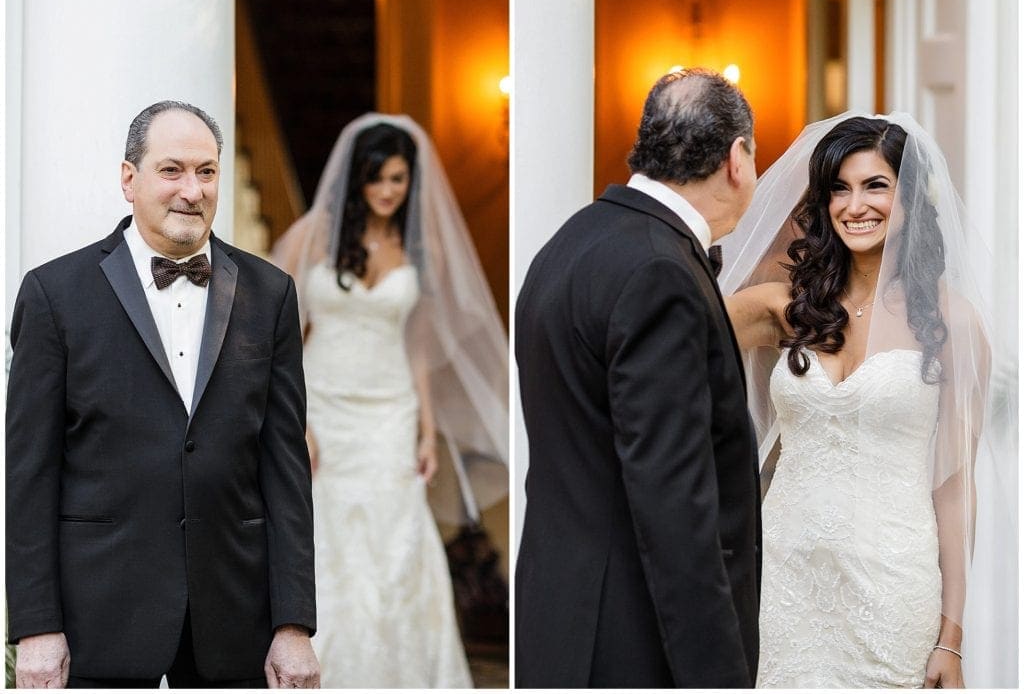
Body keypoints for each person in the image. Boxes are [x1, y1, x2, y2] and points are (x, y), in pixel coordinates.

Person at [5, 101, 319, 687]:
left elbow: (285, 469)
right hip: (97, 621)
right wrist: (35, 625)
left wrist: (293, 623)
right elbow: (29, 475)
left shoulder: (271, 293)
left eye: (206, 172)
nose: (192, 190)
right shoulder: (55, 295)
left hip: (235, 622)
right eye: (171, 170)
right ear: (130, 179)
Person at [721, 114, 1002, 687]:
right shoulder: (783, 305)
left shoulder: (952, 323)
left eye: (876, 185)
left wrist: (952, 636)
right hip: (784, 575)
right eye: (839, 188)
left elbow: (955, 490)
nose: (855, 206)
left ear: (910, 198)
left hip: (893, 580)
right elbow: (668, 345)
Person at [515, 68, 762, 688]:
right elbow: (673, 499)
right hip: (632, 637)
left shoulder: (571, 241)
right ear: (736, 159)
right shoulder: (660, 272)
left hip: (557, 615)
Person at [271, 113, 508, 688]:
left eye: (398, 179)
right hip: (322, 410)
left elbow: (419, 347)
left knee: (396, 547)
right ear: (355, 177)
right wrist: (295, 419)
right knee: (328, 546)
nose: (386, 190)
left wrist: (426, 431)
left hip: (391, 413)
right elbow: (272, 333)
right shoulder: (312, 236)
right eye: (377, 178)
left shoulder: (418, 248)